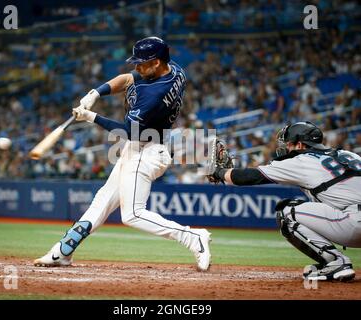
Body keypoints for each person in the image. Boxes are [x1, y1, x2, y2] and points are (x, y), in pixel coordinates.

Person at [34, 37, 211, 271]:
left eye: (142, 63)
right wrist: (96, 93)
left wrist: (91, 117)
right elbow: (127, 79)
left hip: (147, 150)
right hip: (143, 146)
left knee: (132, 214)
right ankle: (62, 252)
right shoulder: (174, 69)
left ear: (156, 62)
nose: (136, 67)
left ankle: (193, 238)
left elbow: (128, 131)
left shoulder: (154, 95)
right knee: (102, 201)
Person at [207, 121, 361, 281]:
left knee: (287, 212)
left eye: (288, 144)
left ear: (300, 144)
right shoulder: (349, 155)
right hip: (351, 216)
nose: (285, 148)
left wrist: (218, 172)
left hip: (354, 223)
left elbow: (250, 177)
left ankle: (336, 262)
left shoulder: (302, 160)